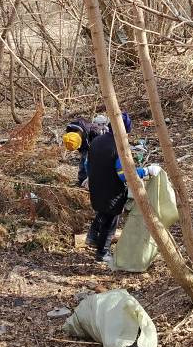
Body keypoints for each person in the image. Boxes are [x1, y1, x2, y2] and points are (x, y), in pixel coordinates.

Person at [86, 113, 160, 265]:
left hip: (96, 187)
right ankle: (102, 252)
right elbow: (124, 174)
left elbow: (87, 164)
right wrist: (145, 171)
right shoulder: (118, 147)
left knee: (101, 212)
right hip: (112, 191)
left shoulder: (97, 141)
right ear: (124, 130)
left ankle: (92, 237)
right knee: (110, 222)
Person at [63, 114, 108, 186]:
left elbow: (98, 144)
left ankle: (91, 179)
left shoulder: (94, 131)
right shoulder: (71, 133)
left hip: (93, 143)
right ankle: (82, 179)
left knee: (88, 160)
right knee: (84, 159)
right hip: (84, 143)